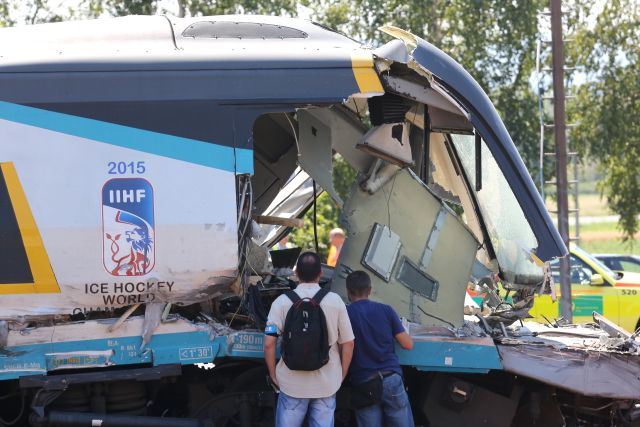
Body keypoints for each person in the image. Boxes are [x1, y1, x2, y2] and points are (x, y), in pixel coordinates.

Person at [264, 251, 355, 427]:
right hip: (326, 383)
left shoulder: (281, 302)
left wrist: (273, 374)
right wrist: (341, 374)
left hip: (291, 384)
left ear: (296, 273)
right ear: (321, 273)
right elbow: (348, 343)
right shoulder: (335, 301)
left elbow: (269, 343)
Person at [346, 270, 414, 427]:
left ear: (348, 291)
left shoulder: (345, 314)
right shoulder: (386, 310)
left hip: (364, 383)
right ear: (370, 290)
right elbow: (408, 344)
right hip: (391, 380)